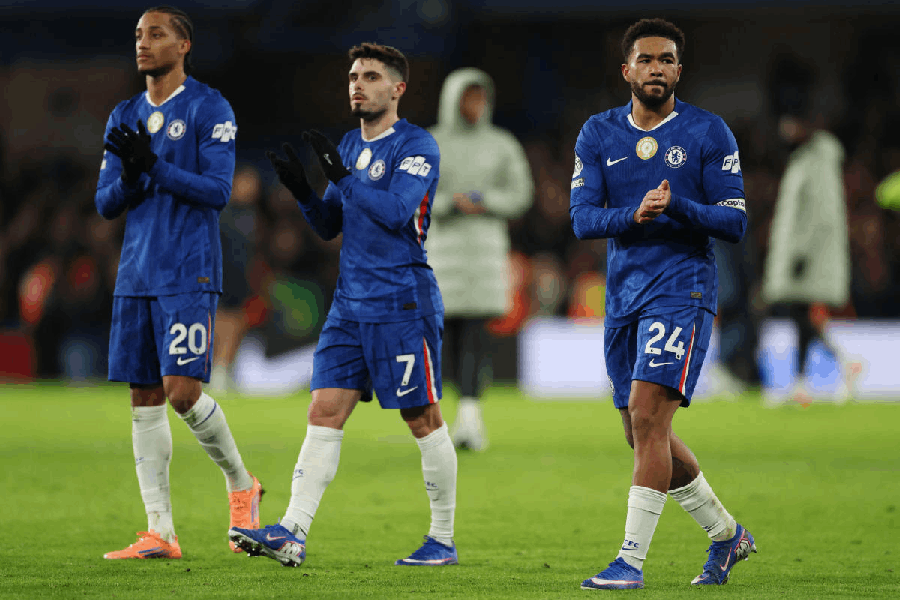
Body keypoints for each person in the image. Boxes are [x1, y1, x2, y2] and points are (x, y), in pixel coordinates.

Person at [228, 43, 458, 568]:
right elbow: (332, 224)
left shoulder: (417, 145)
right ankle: (292, 531)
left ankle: (441, 539)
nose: (358, 84)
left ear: (398, 88)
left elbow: (399, 211)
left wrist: (346, 178)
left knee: (422, 418)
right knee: (323, 411)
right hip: (349, 305)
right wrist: (305, 193)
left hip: (402, 302)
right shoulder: (349, 145)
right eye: (353, 75)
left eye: (371, 76)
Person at [568, 19, 756, 589]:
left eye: (667, 59)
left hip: (684, 287)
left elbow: (735, 221)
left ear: (679, 70)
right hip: (624, 295)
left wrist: (680, 209)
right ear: (626, 70)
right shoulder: (598, 134)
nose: (657, 68)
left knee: (649, 417)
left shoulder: (708, 131)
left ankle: (629, 560)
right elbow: (581, 219)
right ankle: (727, 537)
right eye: (646, 59)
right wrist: (633, 215)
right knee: (641, 431)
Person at [95, 5, 262, 560]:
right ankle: (160, 531)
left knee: (182, 393)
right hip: (136, 272)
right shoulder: (124, 113)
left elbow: (218, 190)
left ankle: (242, 484)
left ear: (184, 45)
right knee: (144, 398)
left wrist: (155, 168)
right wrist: (134, 175)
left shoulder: (209, 107)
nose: (144, 43)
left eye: (157, 34)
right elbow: (105, 203)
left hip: (188, 268)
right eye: (139, 35)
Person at [426, 68, 534, 451]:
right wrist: (447, 204)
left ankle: (470, 417)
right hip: (441, 252)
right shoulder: (431, 142)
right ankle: (442, 418)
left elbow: (522, 193)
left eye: (481, 97)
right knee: (442, 339)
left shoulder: (501, 144)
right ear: (453, 99)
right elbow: (414, 192)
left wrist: (486, 201)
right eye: (468, 97)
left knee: (476, 334)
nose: (476, 105)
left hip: (485, 254)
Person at [761, 68, 858, 405]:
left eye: (789, 122)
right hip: (803, 255)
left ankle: (820, 375)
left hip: (808, 256)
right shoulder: (806, 159)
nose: (783, 130)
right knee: (803, 319)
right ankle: (815, 378)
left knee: (801, 318)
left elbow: (819, 212)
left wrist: (800, 252)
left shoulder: (817, 160)